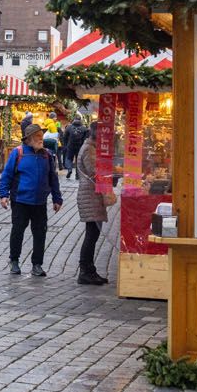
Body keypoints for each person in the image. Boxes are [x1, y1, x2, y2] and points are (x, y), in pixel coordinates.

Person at [0, 121, 63, 276]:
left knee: (40, 233)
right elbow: (7, 175)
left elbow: (53, 178)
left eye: (41, 135)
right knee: (18, 231)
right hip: (20, 200)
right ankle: (14, 261)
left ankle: (37, 264)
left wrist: (57, 198)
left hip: (40, 202)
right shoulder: (18, 153)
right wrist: (3, 194)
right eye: (38, 136)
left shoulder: (47, 155)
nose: (41, 138)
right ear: (28, 139)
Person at [74, 126, 111, 285]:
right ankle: (85, 271)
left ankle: (90, 270)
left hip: (92, 195)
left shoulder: (90, 148)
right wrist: (111, 172)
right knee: (91, 234)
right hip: (90, 195)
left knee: (93, 234)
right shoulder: (89, 149)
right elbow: (93, 171)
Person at [61, 113, 89, 179]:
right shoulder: (84, 128)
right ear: (81, 120)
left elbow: (64, 137)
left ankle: (69, 169)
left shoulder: (69, 127)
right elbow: (86, 138)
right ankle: (77, 175)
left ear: (74, 120)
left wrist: (65, 145)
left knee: (68, 158)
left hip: (70, 146)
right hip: (80, 147)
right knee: (78, 161)